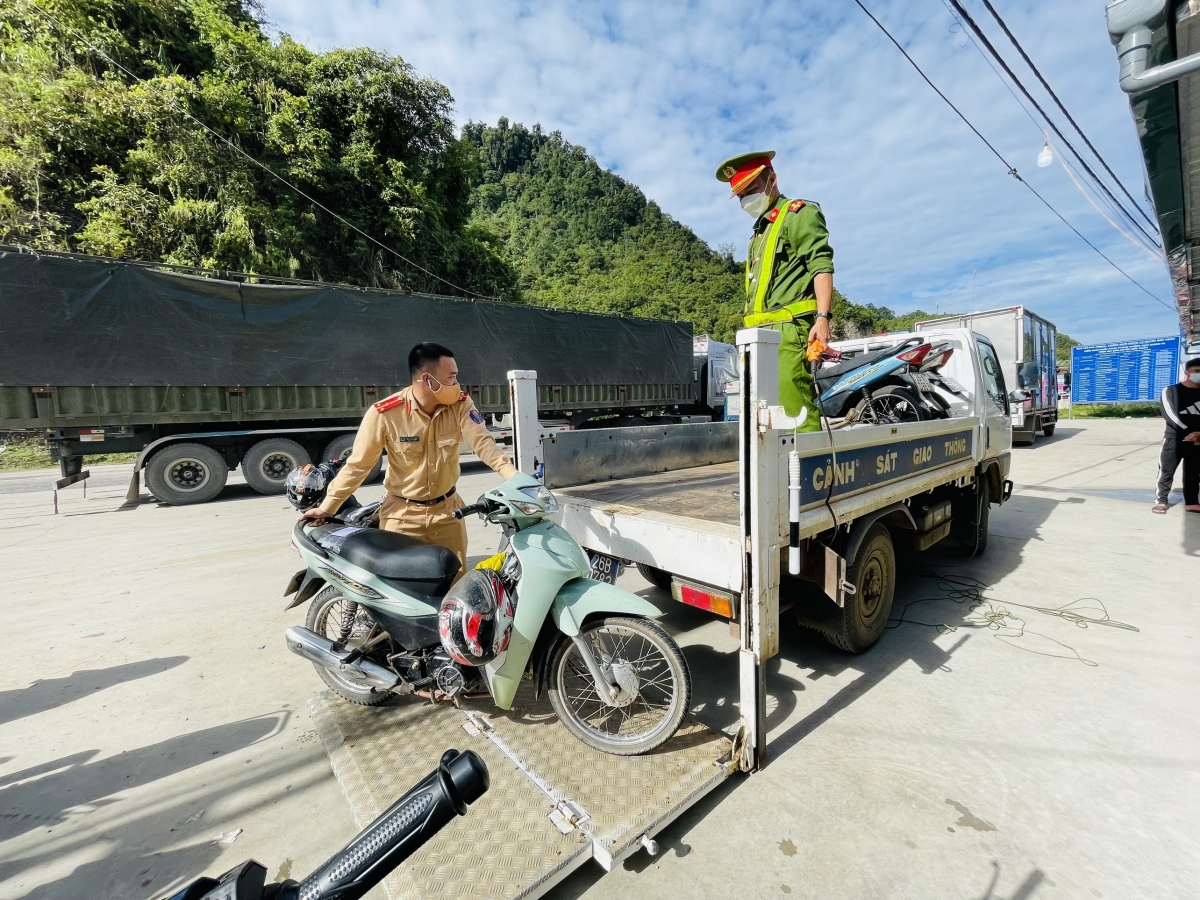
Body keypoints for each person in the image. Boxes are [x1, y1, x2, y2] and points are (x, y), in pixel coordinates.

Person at [300, 342, 517, 574]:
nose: (457, 384)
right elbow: (359, 464)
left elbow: (483, 443)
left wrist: (513, 477)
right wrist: (328, 507)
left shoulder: (461, 405)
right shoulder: (385, 413)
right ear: (428, 380)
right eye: (451, 377)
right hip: (401, 516)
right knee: (402, 586)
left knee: (456, 584)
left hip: (448, 512)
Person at [716, 150, 835, 431]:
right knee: (763, 422)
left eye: (752, 190)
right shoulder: (759, 232)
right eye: (742, 195)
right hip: (755, 340)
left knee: (796, 416)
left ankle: (811, 473)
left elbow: (821, 265)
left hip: (787, 333)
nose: (747, 200)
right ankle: (776, 476)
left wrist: (822, 317)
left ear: (773, 179)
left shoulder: (798, 215)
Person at [1152, 356, 1200, 514]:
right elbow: (1170, 414)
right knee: (1166, 470)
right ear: (1187, 372)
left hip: (1198, 440)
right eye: (1197, 371)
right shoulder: (1171, 391)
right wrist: (1189, 432)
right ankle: (1161, 500)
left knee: (1194, 472)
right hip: (1175, 438)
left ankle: (1192, 501)